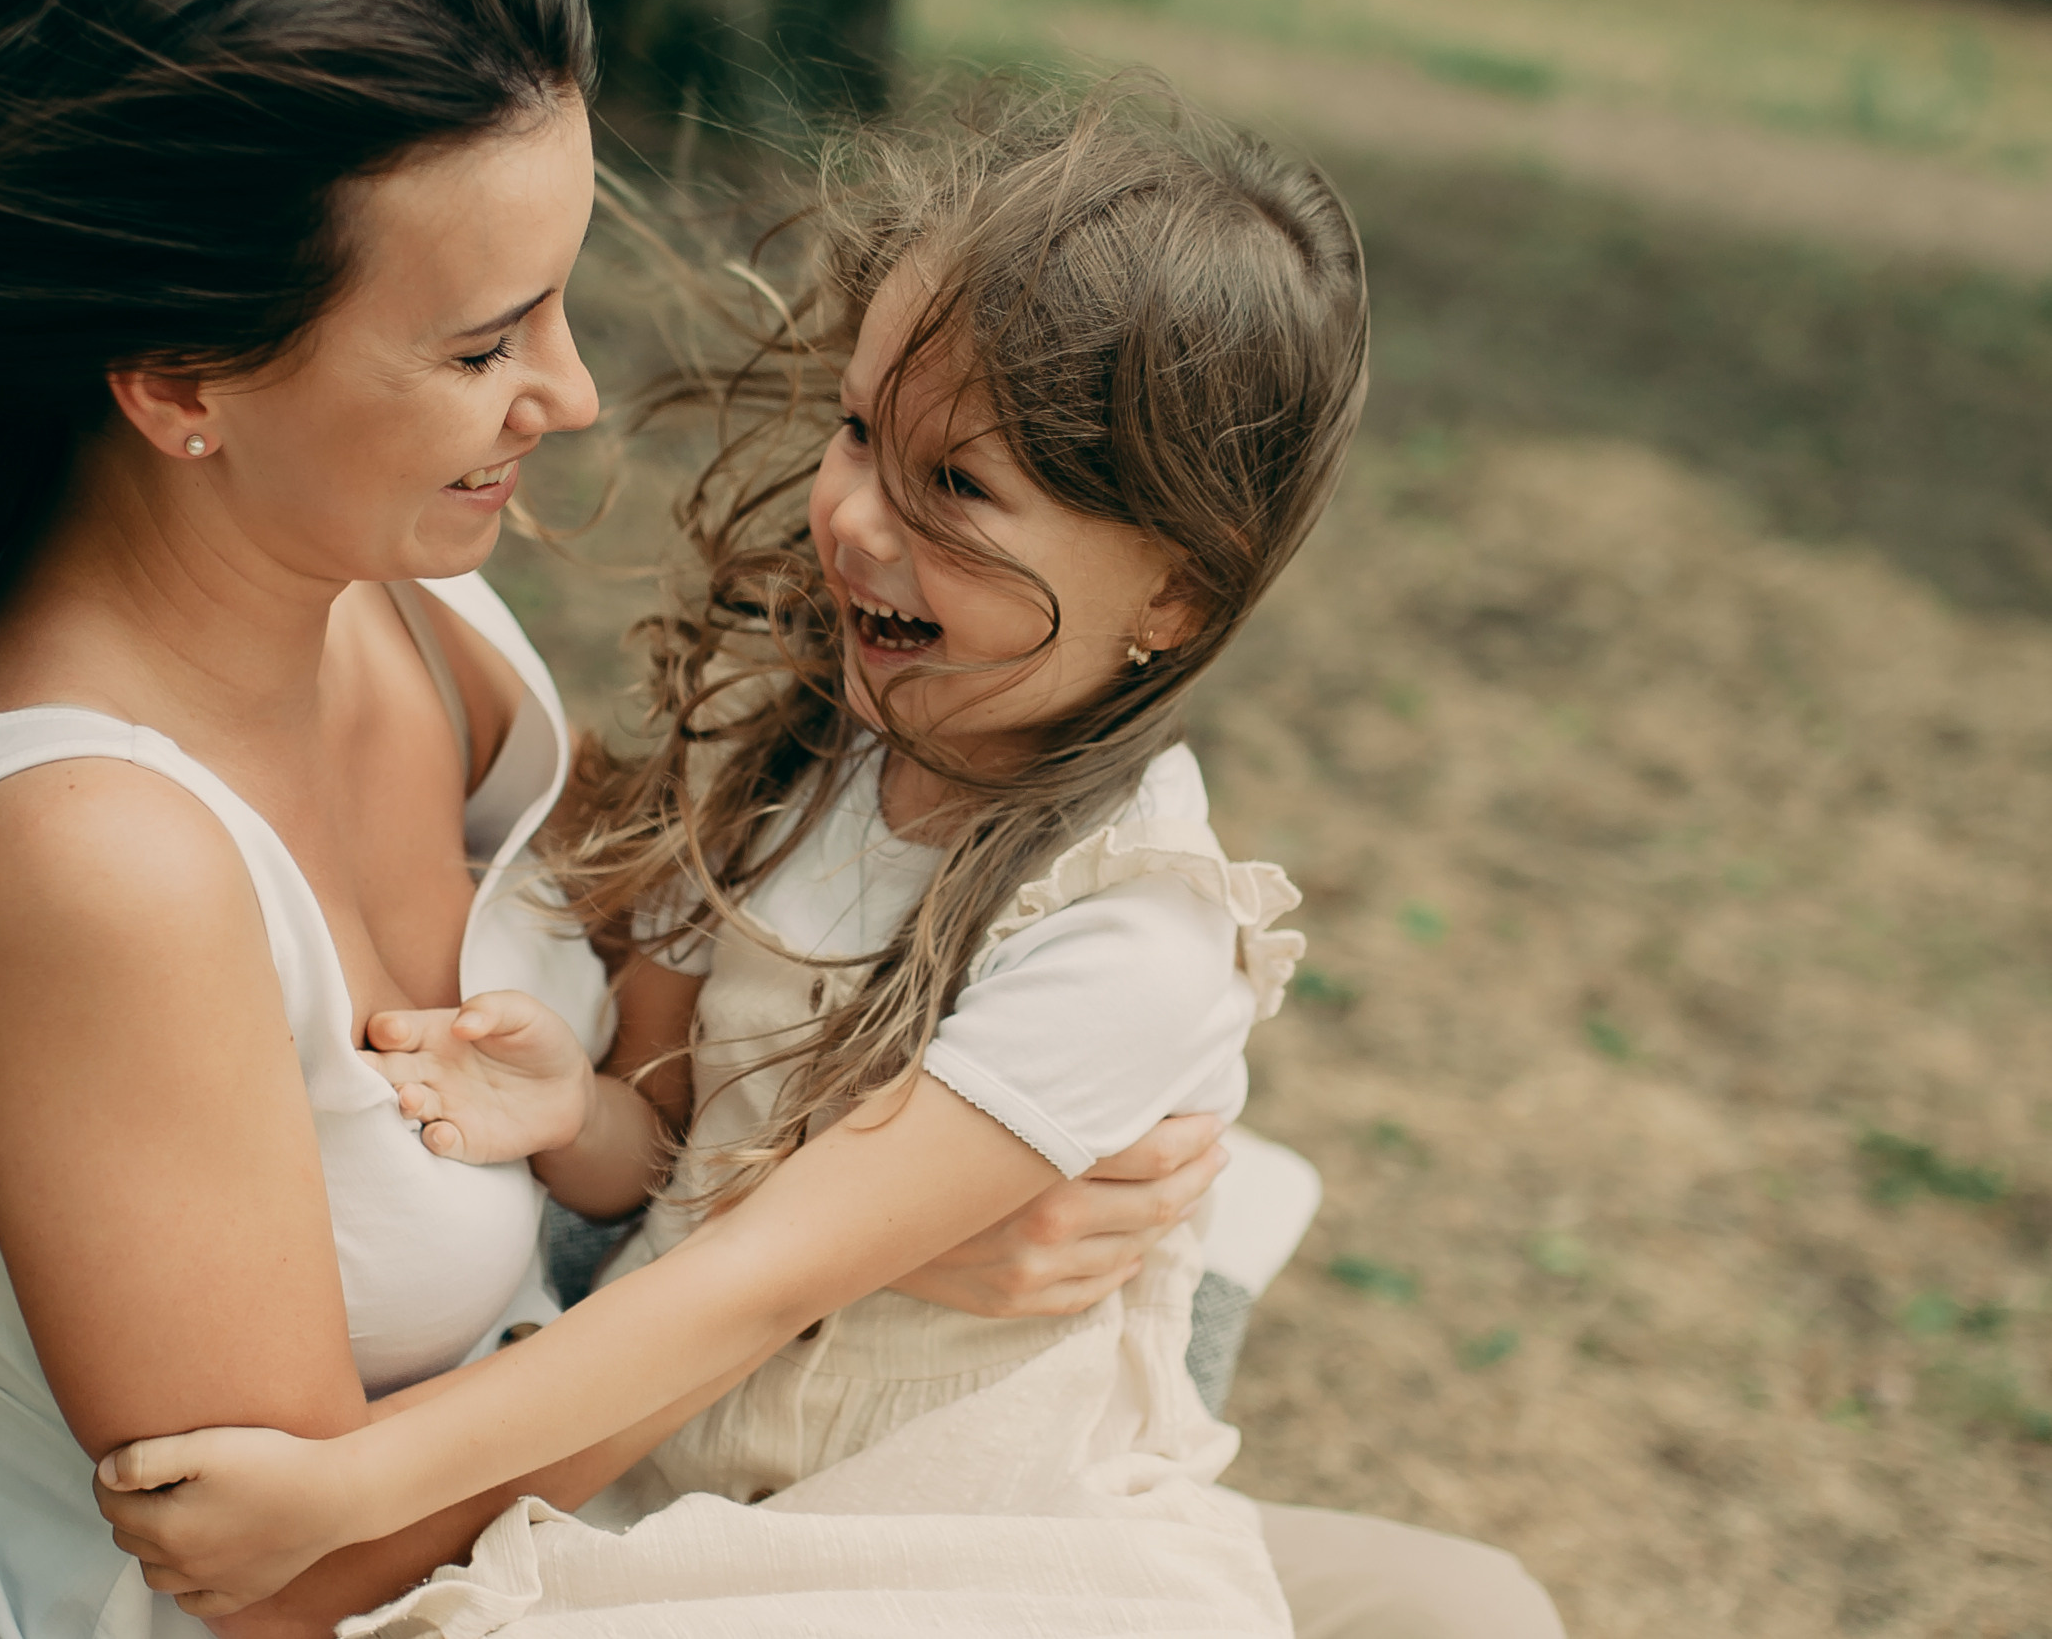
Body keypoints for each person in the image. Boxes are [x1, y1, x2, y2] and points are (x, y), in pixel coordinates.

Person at [0, 0, 1240, 1636]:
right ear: (182, 380)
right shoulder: (92, 866)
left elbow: (656, 1051)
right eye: (486, 341)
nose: (568, 393)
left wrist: (925, 1183)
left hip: (618, 1506)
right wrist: (827, 1265)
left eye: (556, 307)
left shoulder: (403, 613)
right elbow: (291, 1579)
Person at [94, 83, 1566, 1639]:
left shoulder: (1128, 934)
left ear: (1176, 595)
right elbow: (671, 1175)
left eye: (958, 491)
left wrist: (343, 1488)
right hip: (683, 1489)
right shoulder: (817, 752)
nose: (856, 515)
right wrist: (573, 1108)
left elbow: (750, 1278)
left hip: (943, 1534)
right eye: (860, 429)